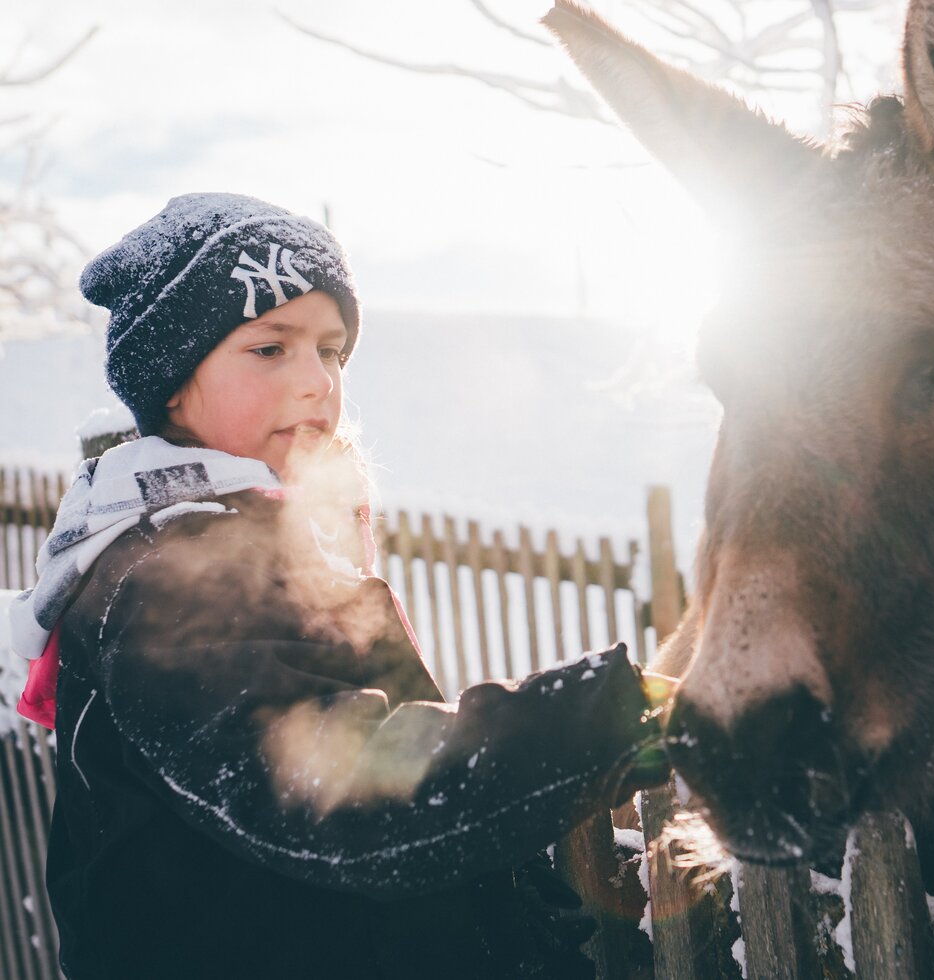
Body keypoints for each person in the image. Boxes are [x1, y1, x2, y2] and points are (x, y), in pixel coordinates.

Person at [8, 193, 673, 980]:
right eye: (269, 348)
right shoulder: (169, 584)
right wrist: (608, 715)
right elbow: (344, 794)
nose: (317, 382)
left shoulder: (266, 545)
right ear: (172, 385)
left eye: (331, 351)